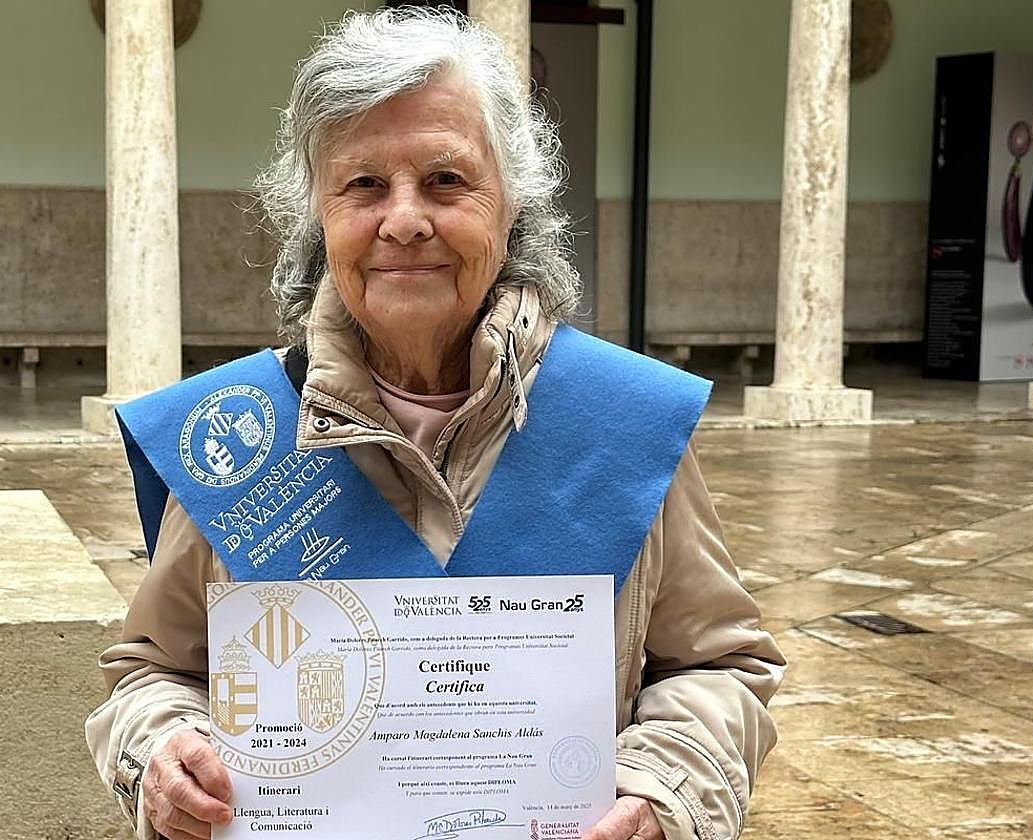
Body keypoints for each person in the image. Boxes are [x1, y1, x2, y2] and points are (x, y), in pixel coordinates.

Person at [86, 8, 785, 840]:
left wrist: (664, 789)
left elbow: (719, 665)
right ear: (316, 210)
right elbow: (155, 673)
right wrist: (162, 753)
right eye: (364, 184)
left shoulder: (624, 418)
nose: (405, 219)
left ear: (510, 202)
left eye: (447, 181)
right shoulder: (241, 438)